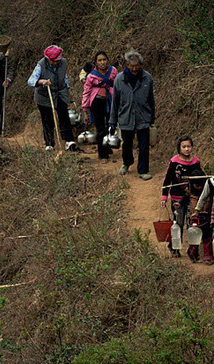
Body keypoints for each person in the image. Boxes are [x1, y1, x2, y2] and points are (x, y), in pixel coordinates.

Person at [109, 50, 156, 180]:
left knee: (144, 145)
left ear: (141, 65)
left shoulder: (147, 78)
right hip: (126, 117)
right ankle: (126, 163)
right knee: (127, 144)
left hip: (143, 117)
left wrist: (152, 116)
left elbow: (151, 99)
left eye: (137, 66)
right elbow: (115, 101)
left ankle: (143, 170)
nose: (134, 69)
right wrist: (112, 121)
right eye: (132, 66)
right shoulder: (119, 79)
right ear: (127, 65)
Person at [27, 45, 76, 151]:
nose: (55, 63)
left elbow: (64, 77)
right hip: (44, 95)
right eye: (53, 61)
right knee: (47, 119)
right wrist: (42, 81)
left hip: (60, 92)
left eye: (57, 61)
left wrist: (68, 91)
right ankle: (49, 144)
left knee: (64, 115)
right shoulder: (41, 64)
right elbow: (31, 80)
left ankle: (69, 141)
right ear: (47, 59)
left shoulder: (63, 63)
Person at [161, 135, 202, 258]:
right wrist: (164, 197)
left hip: (191, 198)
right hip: (176, 198)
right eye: (183, 147)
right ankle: (174, 248)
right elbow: (167, 179)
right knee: (178, 223)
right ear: (179, 148)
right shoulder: (174, 162)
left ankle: (193, 251)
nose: (186, 149)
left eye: (189, 146)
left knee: (192, 223)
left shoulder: (196, 162)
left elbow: (200, 178)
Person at [82, 51, 118, 163]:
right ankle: (102, 154)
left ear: (107, 60)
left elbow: (118, 85)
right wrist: (85, 110)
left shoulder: (113, 71)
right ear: (96, 63)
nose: (102, 62)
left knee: (110, 125)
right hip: (96, 103)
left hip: (110, 101)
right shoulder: (91, 76)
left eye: (104, 59)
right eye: (99, 60)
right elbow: (86, 92)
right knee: (100, 128)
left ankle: (107, 146)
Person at [187, 169, 208, 263]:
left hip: (205, 216)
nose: (199, 187)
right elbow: (184, 199)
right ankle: (193, 254)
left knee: (207, 236)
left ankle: (208, 256)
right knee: (193, 237)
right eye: (197, 185)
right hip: (193, 217)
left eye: (201, 185)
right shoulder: (189, 190)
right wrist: (179, 204)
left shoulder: (208, 190)